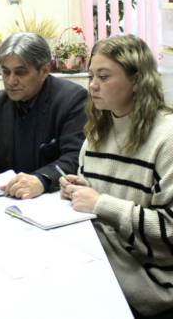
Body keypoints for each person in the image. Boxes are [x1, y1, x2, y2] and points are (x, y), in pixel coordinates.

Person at [60, 35, 173, 318]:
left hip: (152, 279)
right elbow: (103, 193)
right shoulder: (97, 134)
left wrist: (100, 204)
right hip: (106, 258)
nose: (93, 85)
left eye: (104, 76)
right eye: (91, 76)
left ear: (136, 81)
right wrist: (80, 189)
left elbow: (170, 230)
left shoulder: (167, 138)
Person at [0, 32, 88, 198]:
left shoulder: (71, 99)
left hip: (54, 199)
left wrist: (41, 179)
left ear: (44, 70)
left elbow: (75, 157)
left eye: (21, 73)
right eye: (6, 72)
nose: (11, 81)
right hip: (8, 198)